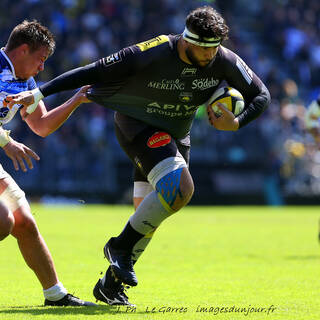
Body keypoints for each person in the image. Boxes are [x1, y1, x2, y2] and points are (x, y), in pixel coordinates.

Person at [4, 7, 271, 306]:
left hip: (177, 134)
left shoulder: (223, 58)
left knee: (150, 215)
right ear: (187, 40)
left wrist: (237, 122)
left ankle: (110, 284)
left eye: (214, 50)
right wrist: (40, 93)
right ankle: (118, 248)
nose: (210, 57)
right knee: (181, 189)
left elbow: (262, 95)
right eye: (203, 50)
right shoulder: (153, 51)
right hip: (138, 125)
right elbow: (93, 70)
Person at [0, 20, 96, 306]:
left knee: (24, 223)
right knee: (3, 221)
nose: (42, 68)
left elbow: (40, 125)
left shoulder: (25, 81)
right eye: (41, 59)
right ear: (24, 50)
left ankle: (55, 296)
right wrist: (7, 142)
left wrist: (76, 100)